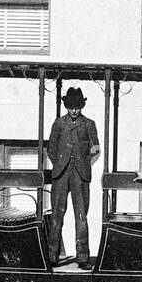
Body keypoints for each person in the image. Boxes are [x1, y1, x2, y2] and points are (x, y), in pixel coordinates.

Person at [45, 87, 100, 269]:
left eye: (77, 107)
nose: (74, 110)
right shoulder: (59, 124)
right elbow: (51, 148)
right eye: (70, 107)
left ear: (82, 106)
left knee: (81, 216)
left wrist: (85, 165)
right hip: (60, 175)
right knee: (56, 216)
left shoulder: (89, 124)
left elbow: (96, 150)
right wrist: (59, 164)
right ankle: (52, 256)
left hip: (80, 175)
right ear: (66, 106)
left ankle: (82, 258)